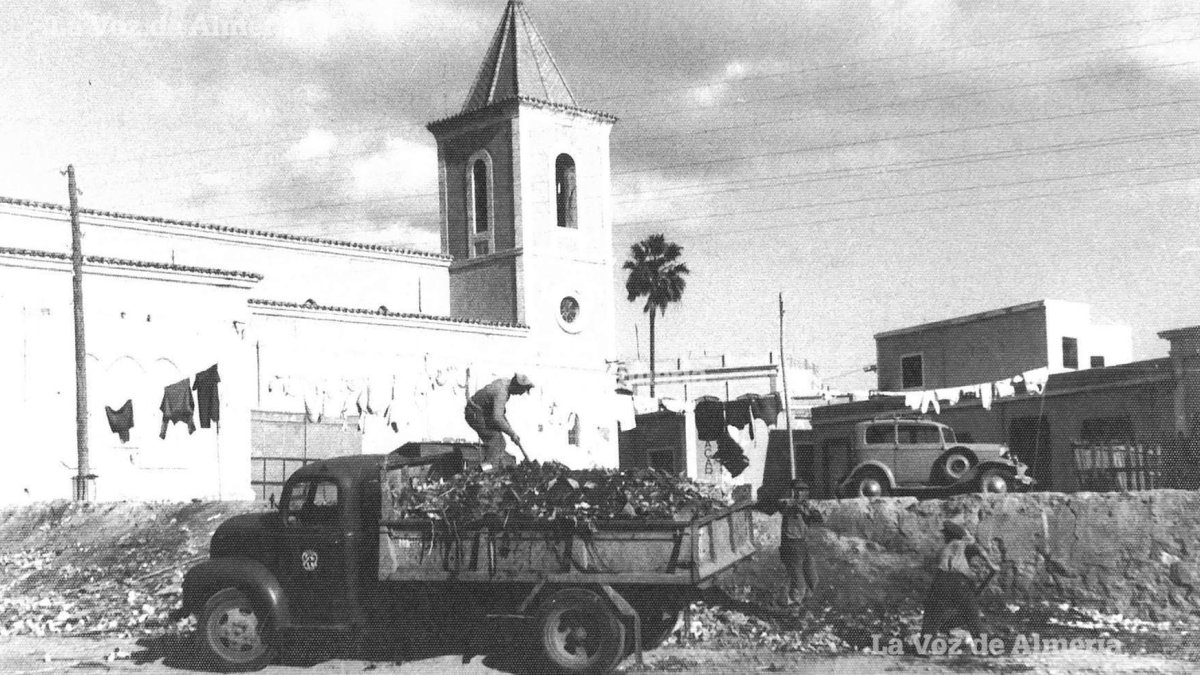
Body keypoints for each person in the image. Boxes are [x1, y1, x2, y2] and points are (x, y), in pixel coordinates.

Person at [918, 520, 998, 644]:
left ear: (949, 536)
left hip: (941, 581)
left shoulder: (944, 549)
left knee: (932, 615)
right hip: (960, 582)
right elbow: (979, 549)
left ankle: (924, 647)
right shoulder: (962, 544)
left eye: (945, 535)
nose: (944, 536)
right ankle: (984, 646)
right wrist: (991, 565)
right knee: (972, 616)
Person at [464, 373, 534, 467]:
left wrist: (511, 432)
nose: (521, 394)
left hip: (482, 412)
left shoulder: (505, 383)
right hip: (475, 413)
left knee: (500, 442)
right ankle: (486, 470)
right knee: (496, 440)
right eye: (522, 390)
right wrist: (512, 434)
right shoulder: (502, 393)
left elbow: (500, 416)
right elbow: (497, 418)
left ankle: (490, 465)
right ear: (516, 386)